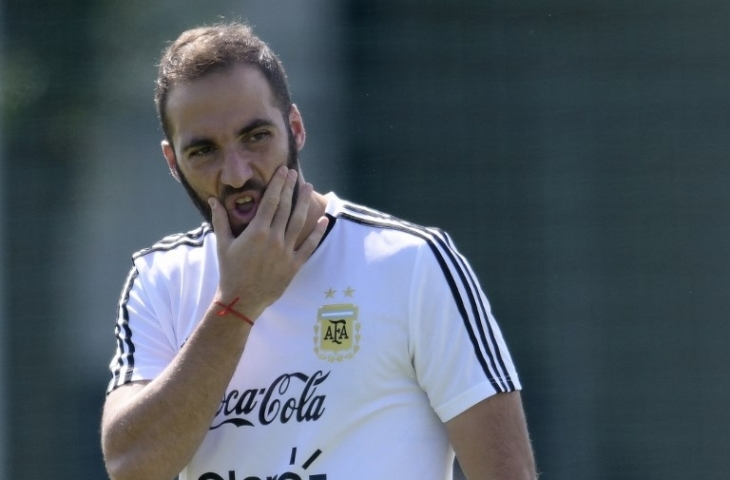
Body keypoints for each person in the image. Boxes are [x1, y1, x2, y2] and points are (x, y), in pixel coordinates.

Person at [100, 21, 536, 480]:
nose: (235, 173)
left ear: (295, 128)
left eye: (256, 137)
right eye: (204, 150)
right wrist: (238, 305)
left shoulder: (413, 262)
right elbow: (133, 468)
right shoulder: (159, 280)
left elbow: (507, 472)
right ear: (173, 163)